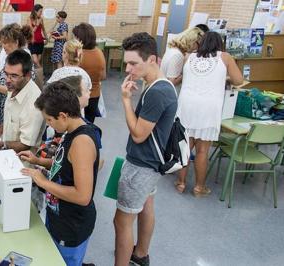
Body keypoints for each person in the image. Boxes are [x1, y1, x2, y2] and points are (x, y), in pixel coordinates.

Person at [114, 32, 178, 266]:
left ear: (153, 59)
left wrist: (125, 100)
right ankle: (140, 254)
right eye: (127, 63)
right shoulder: (159, 84)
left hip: (142, 165)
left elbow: (139, 134)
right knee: (145, 206)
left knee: (121, 222)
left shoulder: (158, 92)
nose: (129, 69)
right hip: (151, 165)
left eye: (134, 63)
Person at [21, 82, 99, 266]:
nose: (48, 124)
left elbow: (83, 196)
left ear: (63, 116)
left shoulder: (82, 142)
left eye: (49, 120)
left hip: (72, 226)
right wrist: (38, 161)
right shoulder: (69, 131)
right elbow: (64, 163)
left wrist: (43, 181)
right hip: (58, 216)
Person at [174, 32, 243, 196]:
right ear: (220, 44)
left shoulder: (188, 57)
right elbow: (239, 80)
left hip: (186, 104)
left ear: (201, 43)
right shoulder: (225, 57)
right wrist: (224, 78)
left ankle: (181, 183)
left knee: (184, 147)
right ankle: (199, 188)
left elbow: (186, 76)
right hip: (209, 107)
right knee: (203, 151)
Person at [0, 50, 43, 153]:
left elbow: (25, 145)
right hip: (6, 153)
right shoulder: (15, 86)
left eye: (13, 76)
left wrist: (1, 145)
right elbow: (12, 118)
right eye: (6, 74)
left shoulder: (33, 105)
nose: (7, 80)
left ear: (28, 75)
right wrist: (0, 129)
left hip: (20, 163)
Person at [0, 23, 35, 128]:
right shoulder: (11, 57)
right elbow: (6, 76)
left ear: (16, 42)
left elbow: (20, 92)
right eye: (2, 43)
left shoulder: (24, 59)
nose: (3, 46)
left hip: (15, 112)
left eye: (6, 43)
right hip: (4, 107)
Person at [72, 23, 106, 123]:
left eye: (75, 37)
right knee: (89, 124)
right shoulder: (99, 52)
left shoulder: (78, 55)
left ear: (80, 38)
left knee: (77, 124)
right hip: (94, 95)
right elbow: (103, 76)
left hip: (78, 97)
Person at [27, 4, 47, 68]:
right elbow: (31, 31)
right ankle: (41, 75)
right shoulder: (29, 19)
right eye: (40, 11)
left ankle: (36, 76)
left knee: (37, 61)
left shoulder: (41, 19)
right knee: (35, 61)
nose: (41, 13)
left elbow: (43, 30)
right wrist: (37, 24)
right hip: (32, 42)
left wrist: (47, 38)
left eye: (42, 11)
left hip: (40, 42)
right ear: (35, 11)